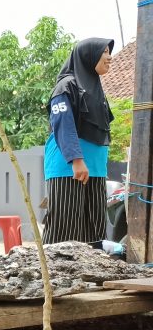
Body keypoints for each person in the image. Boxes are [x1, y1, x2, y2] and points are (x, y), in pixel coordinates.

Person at [42, 38, 114, 245]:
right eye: (105, 51)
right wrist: (76, 159)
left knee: (96, 229)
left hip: (96, 170)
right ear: (88, 55)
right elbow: (62, 123)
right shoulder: (66, 86)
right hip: (69, 169)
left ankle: (92, 277)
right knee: (66, 230)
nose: (109, 57)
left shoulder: (96, 90)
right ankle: (56, 276)